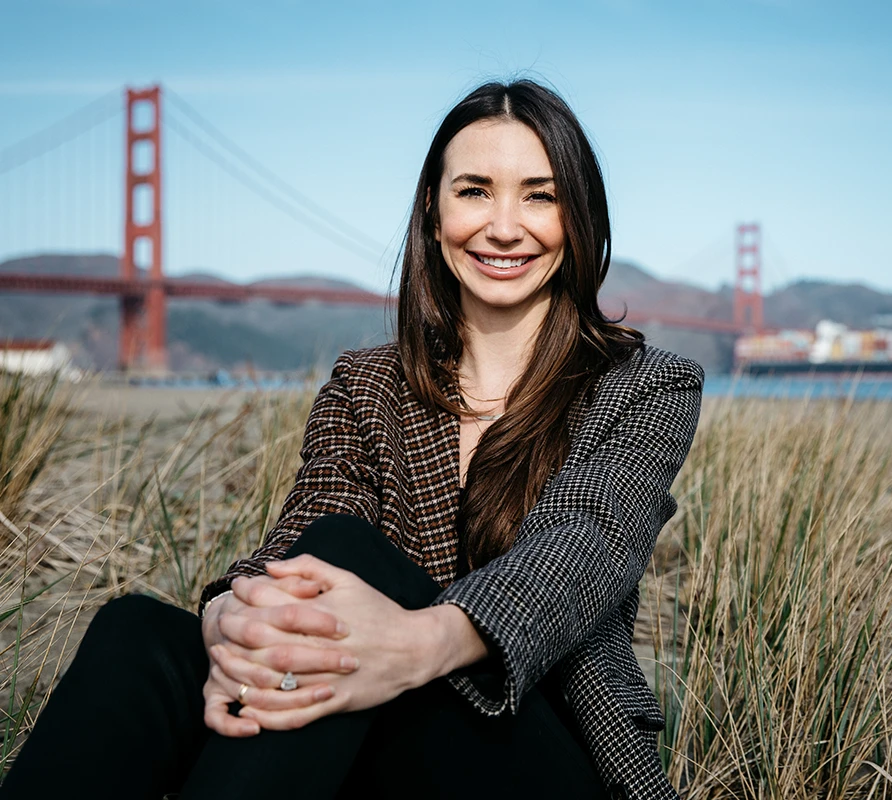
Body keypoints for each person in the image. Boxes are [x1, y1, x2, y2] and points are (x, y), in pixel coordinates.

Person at [0, 79, 702, 800]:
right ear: (433, 213)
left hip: (537, 751)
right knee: (139, 635)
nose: (502, 225)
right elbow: (305, 526)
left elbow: (582, 545)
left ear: (578, 218)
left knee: (343, 559)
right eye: (474, 191)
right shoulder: (365, 385)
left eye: (539, 195)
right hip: (374, 727)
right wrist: (227, 623)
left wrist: (415, 645)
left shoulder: (647, 385)